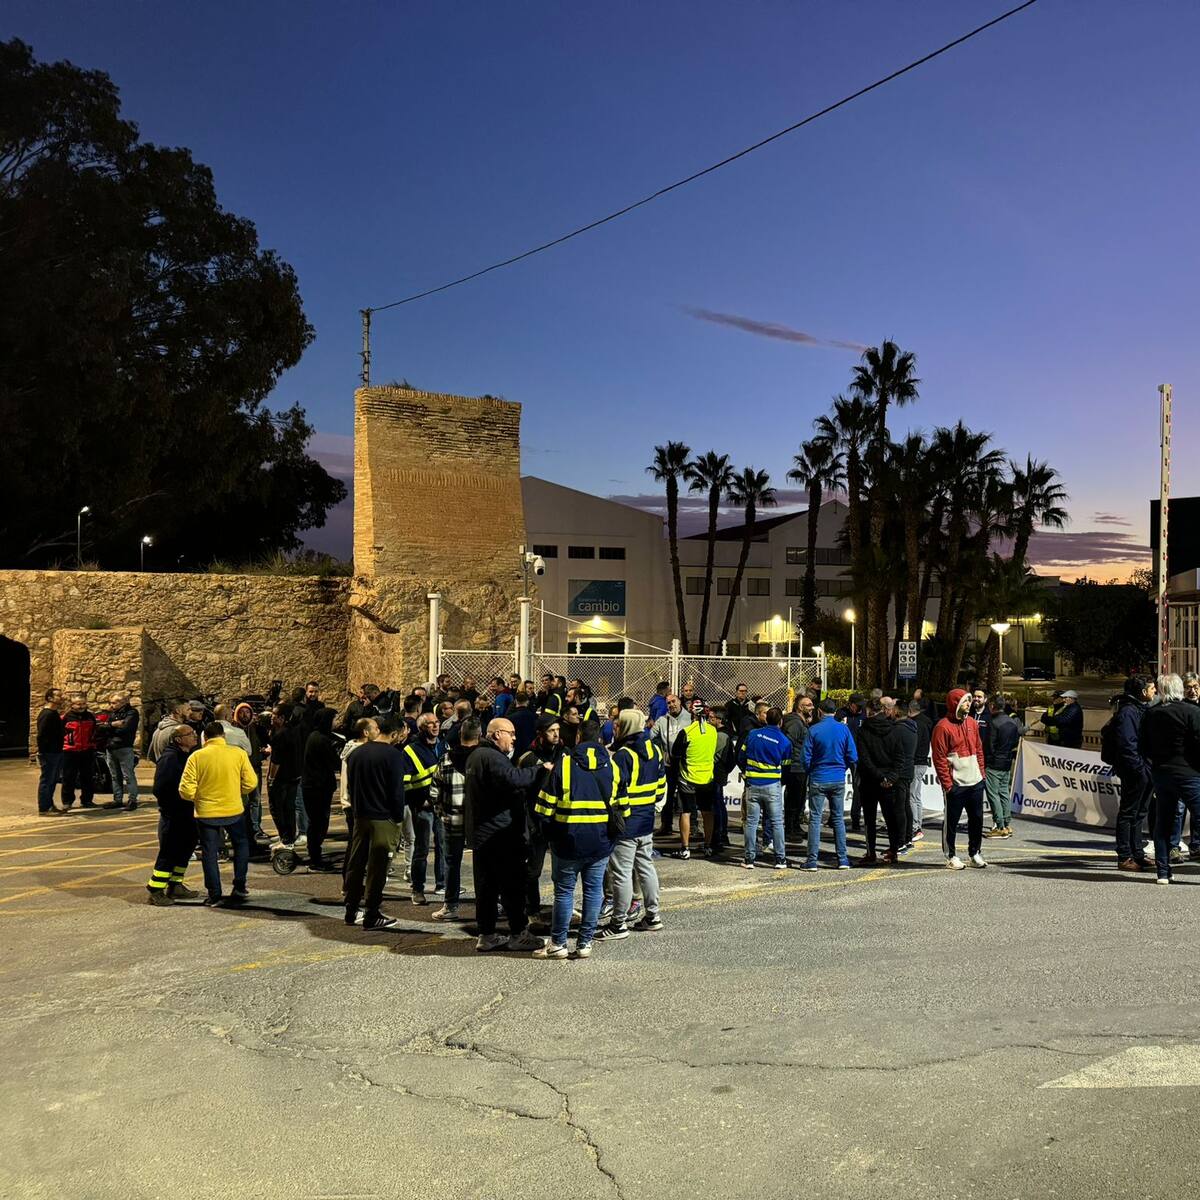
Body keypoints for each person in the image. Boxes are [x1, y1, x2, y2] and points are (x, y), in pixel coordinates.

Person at [532, 719, 617, 959]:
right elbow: (622, 807)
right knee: (593, 892)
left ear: (578, 738)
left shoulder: (564, 764)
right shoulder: (611, 765)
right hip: (600, 842)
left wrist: (549, 835)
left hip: (566, 840)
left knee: (564, 892)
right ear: (599, 739)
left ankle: (558, 943)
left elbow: (544, 807)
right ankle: (585, 943)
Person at [464, 716, 547, 952]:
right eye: (510, 733)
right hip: (500, 836)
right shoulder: (492, 758)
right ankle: (518, 933)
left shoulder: (476, 756)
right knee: (512, 886)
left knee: (486, 888)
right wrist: (540, 770)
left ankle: (487, 934)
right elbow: (514, 780)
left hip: (482, 835)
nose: (514, 738)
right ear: (497, 733)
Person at [597, 709, 666, 940]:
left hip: (627, 824)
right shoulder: (655, 750)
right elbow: (661, 788)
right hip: (646, 821)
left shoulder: (623, 755)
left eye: (619, 724)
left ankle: (618, 924)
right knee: (646, 867)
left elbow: (615, 791)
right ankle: (653, 916)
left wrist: (622, 815)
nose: (615, 728)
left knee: (621, 874)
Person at [179, 720, 257, 906]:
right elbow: (251, 782)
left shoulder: (196, 757)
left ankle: (214, 894)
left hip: (207, 813)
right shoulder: (238, 754)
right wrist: (238, 792)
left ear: (205, 738)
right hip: (233, 809)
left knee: (210, 853)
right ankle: (239, 885)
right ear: (223, 736)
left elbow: (185, 790)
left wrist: (199, 798)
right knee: (240, 846)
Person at [343, 717, 406, 930]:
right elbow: (397, 792)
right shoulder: (394, 756)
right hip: (383, 818)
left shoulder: (355, 753)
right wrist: (397, 818)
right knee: (378, 868)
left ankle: (351, 909)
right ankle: (372, 913)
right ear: (395, 734)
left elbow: (350, 787)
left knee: (357, 863)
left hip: (361, 816)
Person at [1138, 673, 1200, 884]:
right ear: (1179, 689)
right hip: (1189, 773)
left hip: (1162, 773)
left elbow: (1143, 745)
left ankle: (1163, 872)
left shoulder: (1151, 714)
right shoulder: (1192, 711)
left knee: (1163, 822)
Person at [932, 689, 987, 870]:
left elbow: (979, 749)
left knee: (977, 819)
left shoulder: (972, 723)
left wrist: (982, 775)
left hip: (975, 781)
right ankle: (951, 855)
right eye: (965, 701)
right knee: (952, 822)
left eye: (969, 701)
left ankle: (975, 853)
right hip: (956, 785)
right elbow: (939, 758)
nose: (968, 704)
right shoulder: (942, 727)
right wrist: (948, 785)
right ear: (955, 704)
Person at [145, 724, 200, 905]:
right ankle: (156, 889)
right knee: (169, 851)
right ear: (178, 739)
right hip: (175, 813)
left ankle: (176, 885)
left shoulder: (185, 755)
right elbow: (160, 788)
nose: (194, 736)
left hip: (187, 811)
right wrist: (173, 806)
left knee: (186, 847)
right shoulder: (170, 758)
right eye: (190, 734)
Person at [432, 717, 479, 922]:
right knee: (484, 865)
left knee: (452, 863)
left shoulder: (446, 759)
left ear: (460, 735)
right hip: (479, 823)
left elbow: (434, 792)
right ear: (479, 735)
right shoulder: (483, 758)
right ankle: (492, 903)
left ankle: (450, 906)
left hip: (452, 821)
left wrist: (442, 813)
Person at [800, 699, 856, 870]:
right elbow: (852, 756)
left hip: (818, 777)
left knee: (815, 819)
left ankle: (812, 860)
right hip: (837, 777)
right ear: (835, 711)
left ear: (819, 711)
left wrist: (812, 770)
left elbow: (805, 757)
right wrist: (841, 767)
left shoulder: (814, 730)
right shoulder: (843, 729)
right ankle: (843, 858)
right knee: (838, 818)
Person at [518, 715, 563, 927]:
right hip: (535, 822)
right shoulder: (527, 758)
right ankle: (532, 909)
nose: (556, 734)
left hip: (559, 821)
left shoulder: (565, 755)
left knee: (563, 870)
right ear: (540, 734)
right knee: (532, 870)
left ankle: (562, 908)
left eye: (557, 730)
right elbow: (519, 789)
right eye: (551, 730)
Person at [1109, 675, 1156, 872]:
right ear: (1143, 692)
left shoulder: (1140, 709)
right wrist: (1140, 770)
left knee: (1139, 813)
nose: (1155, 691)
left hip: (1145, 769)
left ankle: (1137, 852)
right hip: (1136, 771)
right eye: (1152, 688)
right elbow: (1127, 745)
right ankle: (1125, 855)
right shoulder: (1128, 712)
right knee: (1128, 813)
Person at [738, 707, 792, 870]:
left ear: (766, 719)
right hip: (772, 785)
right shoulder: (784, 741)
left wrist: (747, 774)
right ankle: (780, 859)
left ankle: (749, 859)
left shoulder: (752, 735)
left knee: (751, 822)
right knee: (776, 823)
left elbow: (741, 757)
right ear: (781, 721)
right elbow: (786, 767)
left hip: (753, 783)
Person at [854, 698, 906, 866]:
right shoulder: (895, 730)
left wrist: (879, 776)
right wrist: (890, 778)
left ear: (869, 711)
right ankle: (893, 851)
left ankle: (871, 852)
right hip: (889, 781)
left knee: (869, 819)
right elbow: (900, 758)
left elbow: (864, 759)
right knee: (891, 817)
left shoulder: (863, 731)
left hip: (870, 780)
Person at [403, 711, 445, 904]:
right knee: (421, 849)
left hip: (442, 806)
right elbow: (404, 783)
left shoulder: (442, 746)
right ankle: (417, 889)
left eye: (437, 722)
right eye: (431, 724)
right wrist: (420, 801)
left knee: (443, 846)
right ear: (421, 728)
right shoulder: (410, 751)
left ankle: (441, 884)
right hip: (423, 807)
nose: (436, 726)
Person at [672, 698, 719, 859]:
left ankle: (685, 848)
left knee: (685, 812)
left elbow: (675, 755)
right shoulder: (713, 731)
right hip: (707, 778)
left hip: (688, 778)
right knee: (707, 812)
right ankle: (708, 846)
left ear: (692, 714)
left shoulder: (686, 732)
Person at [301, 707, 341, 871]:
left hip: (315, 785)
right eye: (333, 719)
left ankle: (315, 854)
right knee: (318, 823)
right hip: (317, 787)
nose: (336, 722)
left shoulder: (317, 736)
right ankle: (315, 859)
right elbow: (334, 762)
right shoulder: (321, 740)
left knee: (317, 822)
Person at [982, 695, 1022, 839]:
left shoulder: (993, 722)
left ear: (992, 705)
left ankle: (999, 826)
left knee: (993, 795)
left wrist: (987, 760)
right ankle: (1007, 823)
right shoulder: (1011, 721)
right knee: (1004, 793)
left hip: (994, 763)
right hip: (1006, 761)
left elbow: (989, 745)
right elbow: (1015, 741)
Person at [651, 693, 691, 836]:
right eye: (668, 703)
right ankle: (665, 825)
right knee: (667, 796)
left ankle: (692, 827)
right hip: (668, 765)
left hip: (685, 765)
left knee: (687, 796)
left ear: (679, 702)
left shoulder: (690, 718)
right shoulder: (662, 721)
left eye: (674, 701)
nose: (671, 705)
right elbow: (651, 736)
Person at [266, 703, 303, 847]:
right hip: (293, 776)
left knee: (277, 808)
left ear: (281, 718)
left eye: (274, 716)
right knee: (289, 808)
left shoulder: (281, 734)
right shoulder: (294, 731)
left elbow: (276, 760)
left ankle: (285, 838)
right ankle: (289, 837)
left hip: (282, 778)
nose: (271, 718)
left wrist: (271, 778)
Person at [98, 691, 140, 811]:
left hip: (124, 747)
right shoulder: (114, 714)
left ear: (124, 702)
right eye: (111, 703)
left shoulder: (131, 713)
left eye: (115, 702)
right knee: (115, 775)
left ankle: (132, 800)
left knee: (128, 775)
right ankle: (117, 799)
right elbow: (102, 729)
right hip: (111, 747)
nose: (112, 705)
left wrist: (108, 726)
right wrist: (113, 725)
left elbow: (125, 729)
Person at [781, 695, 815, 838]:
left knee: (799, 798)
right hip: (795, 767)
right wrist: (796, 758)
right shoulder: (795, 723)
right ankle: (790, 828)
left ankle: (795, 826)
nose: (812, 707)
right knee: (794, 799)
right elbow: (788, 742)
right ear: (800, 707)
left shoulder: (801, 722)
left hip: (800, 766)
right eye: (808, 705)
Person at [889, 700, 919, 850]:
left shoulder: (897, 730)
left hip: (899, 772)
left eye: (893, 709)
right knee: (906, 805)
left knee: (899, 807)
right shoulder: (912, 728)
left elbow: (893, 752)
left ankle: (901, 842)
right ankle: (907, 838)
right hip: (908, 771)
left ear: (897, 711)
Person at [61, 694, 98, 811]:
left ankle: (87, 800)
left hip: (87, 751)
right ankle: (67, 801)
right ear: (72, 705)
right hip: (70, 751)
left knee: (87, 777)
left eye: (83, 703)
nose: (81, 706)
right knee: (68, 777)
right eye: (78, 704)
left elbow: (95, 732)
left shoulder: (90, 716)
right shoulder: (65, 717)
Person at [906, 698, 934, 841]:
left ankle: (915, 827)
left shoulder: (915, 724)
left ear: (910, 710)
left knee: (912, 796)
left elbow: (913, 744)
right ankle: (916, 825)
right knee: (916, 796)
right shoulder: (927, 721)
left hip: (915, 762)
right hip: (922, 761)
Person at [36, 689, 66, 815]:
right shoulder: (47, 714)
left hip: (56, 751)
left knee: (53, 780)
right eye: (58, 696)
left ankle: (49, 804)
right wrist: (42, 752)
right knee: (47, 779)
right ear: (50, 698)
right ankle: (44, 807)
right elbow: (42, 735)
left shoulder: (53, 713)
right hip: (49, 752)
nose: (61, 697)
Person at [508, 691, 537, 758]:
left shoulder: (510, 718)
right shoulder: (534, 717)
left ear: (515, 701)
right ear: (527, 702)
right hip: (531, 750)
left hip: (516, 750)